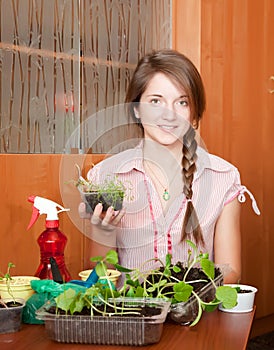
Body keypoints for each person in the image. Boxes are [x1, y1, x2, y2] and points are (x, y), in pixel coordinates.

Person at [79, 49, 260, 284]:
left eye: (182, 102)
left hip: (195, 315)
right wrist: (102, 231)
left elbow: (231, 270)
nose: (169, 114)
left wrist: (183, 295)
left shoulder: (223, 177)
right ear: (137, 108)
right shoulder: (106, 175)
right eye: (156, 101)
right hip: (131, 315)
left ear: (194, 114)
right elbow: (98, 275)